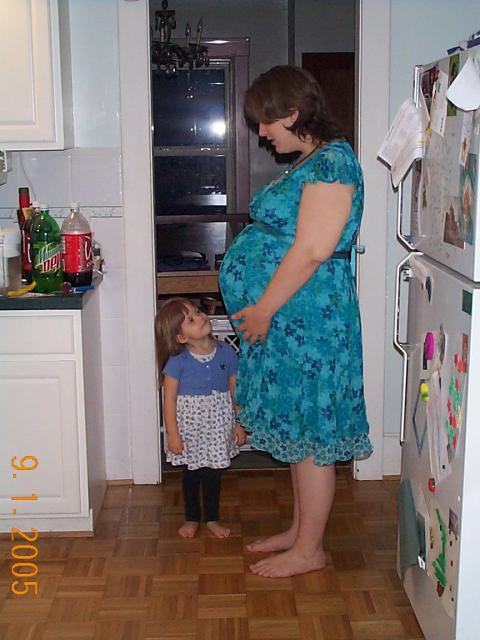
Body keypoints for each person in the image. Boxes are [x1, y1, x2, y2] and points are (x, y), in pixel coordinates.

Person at [219, 65, 372, 577]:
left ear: (292, 113)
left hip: (310, 319)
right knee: (298, 426)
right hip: (294, 318)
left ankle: (310, 551)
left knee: (311, 431)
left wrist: (263, 308)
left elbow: (312, 250)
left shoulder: (334, 163)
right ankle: (300, 532)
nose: (261, 132)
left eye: (266, 121)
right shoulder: (312, 161)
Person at [155, 298, 246, 539]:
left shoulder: (226, 353)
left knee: (213, 474)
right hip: (190, 428)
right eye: (191, 319)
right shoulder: (177, 362)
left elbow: (234, 389)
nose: (201, 316)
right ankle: (192, 517)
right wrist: (173, 434)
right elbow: (169, 399)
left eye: (197, 311)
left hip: (218, 424)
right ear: (180, 337)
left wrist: (239, 422)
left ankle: (212, 518)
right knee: (191, 474)